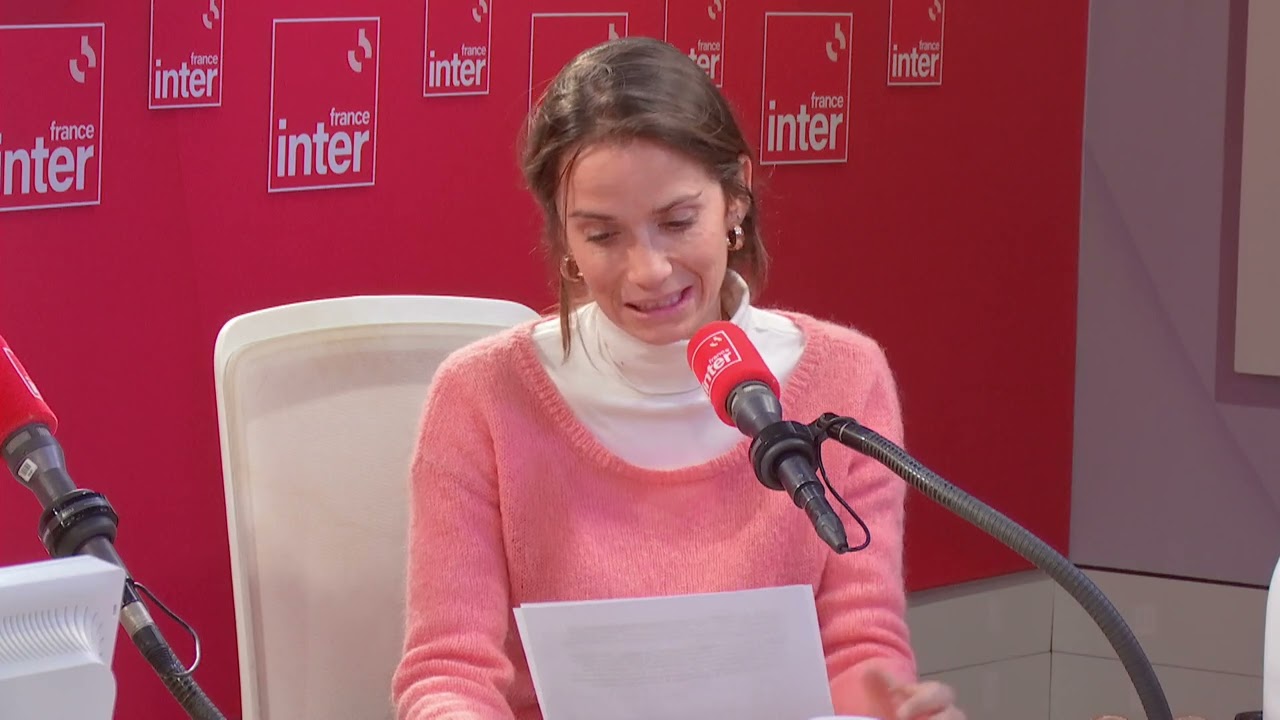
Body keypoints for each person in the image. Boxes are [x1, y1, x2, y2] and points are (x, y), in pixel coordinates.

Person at [391, 37, 964, 720]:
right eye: (603, 235)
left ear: (735, 199)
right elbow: (448, 673)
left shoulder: (845, 378)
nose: (650, 270)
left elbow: (858, 647)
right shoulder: (479, 398)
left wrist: (888, 709)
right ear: (564, 236)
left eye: (677, 222)